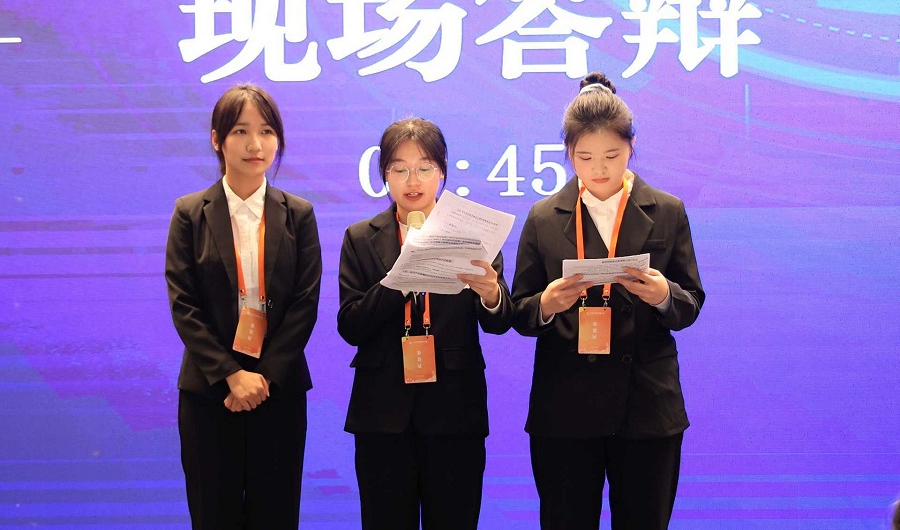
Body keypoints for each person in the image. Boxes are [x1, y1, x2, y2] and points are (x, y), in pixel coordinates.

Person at [511, 72, 705, 529]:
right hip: (565, 406)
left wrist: (664, 295)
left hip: (646, 404)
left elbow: (691, 302)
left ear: (631, 147)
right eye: (585, 157)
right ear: (568, 153)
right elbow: (519, 311)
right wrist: (547, 304)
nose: (599, 169)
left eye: (612, 156)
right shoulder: (543, 217)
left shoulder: (667, 210)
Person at [337, 118, 514, 530]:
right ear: (384, 175)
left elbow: (500, 321)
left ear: (443, 171)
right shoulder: (361, 238)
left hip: (455, 412)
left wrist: (491, 294)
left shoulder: (473, 235)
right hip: (382, 414)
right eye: (399, 169)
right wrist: (401, 275)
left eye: (424, 168)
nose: (412, 181)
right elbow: (350, 326)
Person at [165, 84, 321, 529]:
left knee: (277, 514)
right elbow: (183, 302)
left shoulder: (299, 214)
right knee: (213, 514)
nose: (256, 144)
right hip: (210, 391)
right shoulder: (190, 212)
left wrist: (263, 377)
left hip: (279, 391)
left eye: (267, 131)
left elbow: (305, 303)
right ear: (217, 140)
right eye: (241, 131)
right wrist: (232, 375)